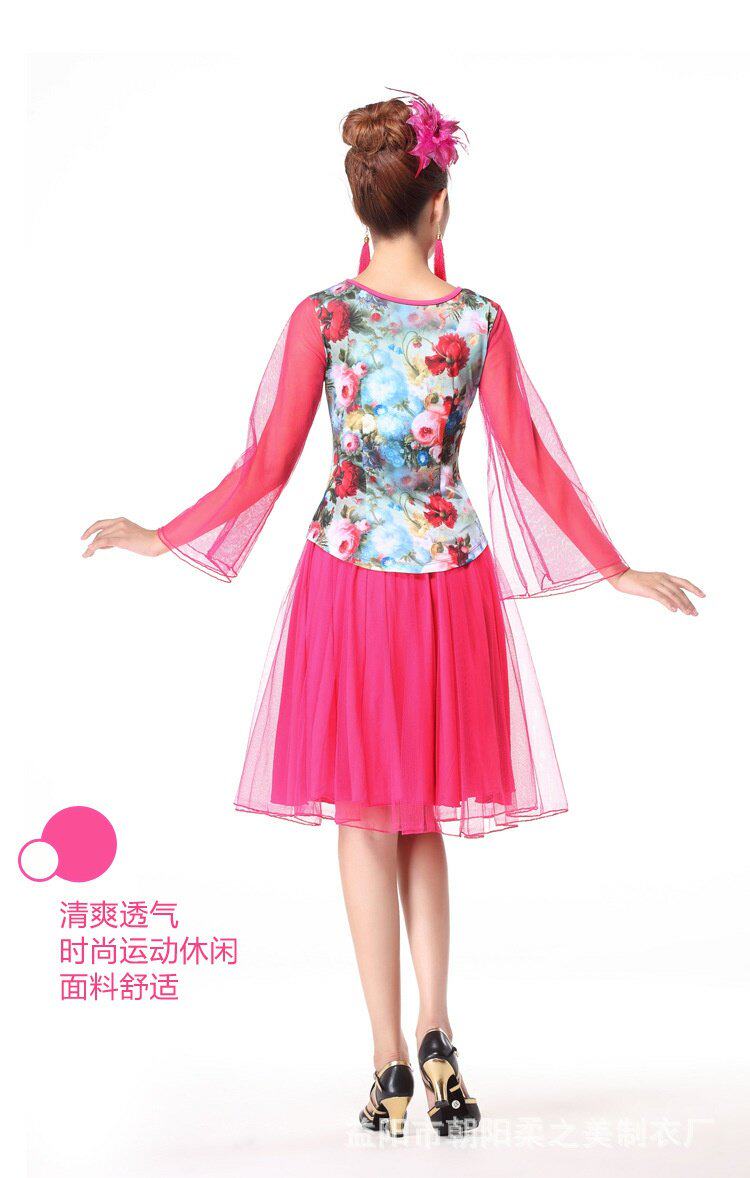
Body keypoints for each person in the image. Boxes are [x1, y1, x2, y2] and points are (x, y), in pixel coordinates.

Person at [82, 93, 704, 1139]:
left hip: (351, 576)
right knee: (422, 815)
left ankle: (385, 1058)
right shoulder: (478, 319)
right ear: (439, 203)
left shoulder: (324, 316)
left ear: (361, 206)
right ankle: (437, 1027)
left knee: (366, 819)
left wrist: (163, 533)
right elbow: (533, 463)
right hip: (451, 578)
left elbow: (266, 467)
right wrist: (616, 567)